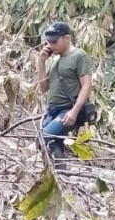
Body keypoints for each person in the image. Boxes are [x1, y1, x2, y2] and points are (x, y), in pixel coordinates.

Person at [36, 21, 93, 158]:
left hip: (67, 110)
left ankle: (59, 170)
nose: (51, 45)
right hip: (52, 111)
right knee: (48, 143)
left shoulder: (79, 56)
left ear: (67, 38)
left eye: (54, 42)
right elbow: (44, 88)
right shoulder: (55, 60)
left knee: (45, 136)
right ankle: (60, 174)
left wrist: (74, 112)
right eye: (49, 42)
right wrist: (41, 62)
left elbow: (86, 85)